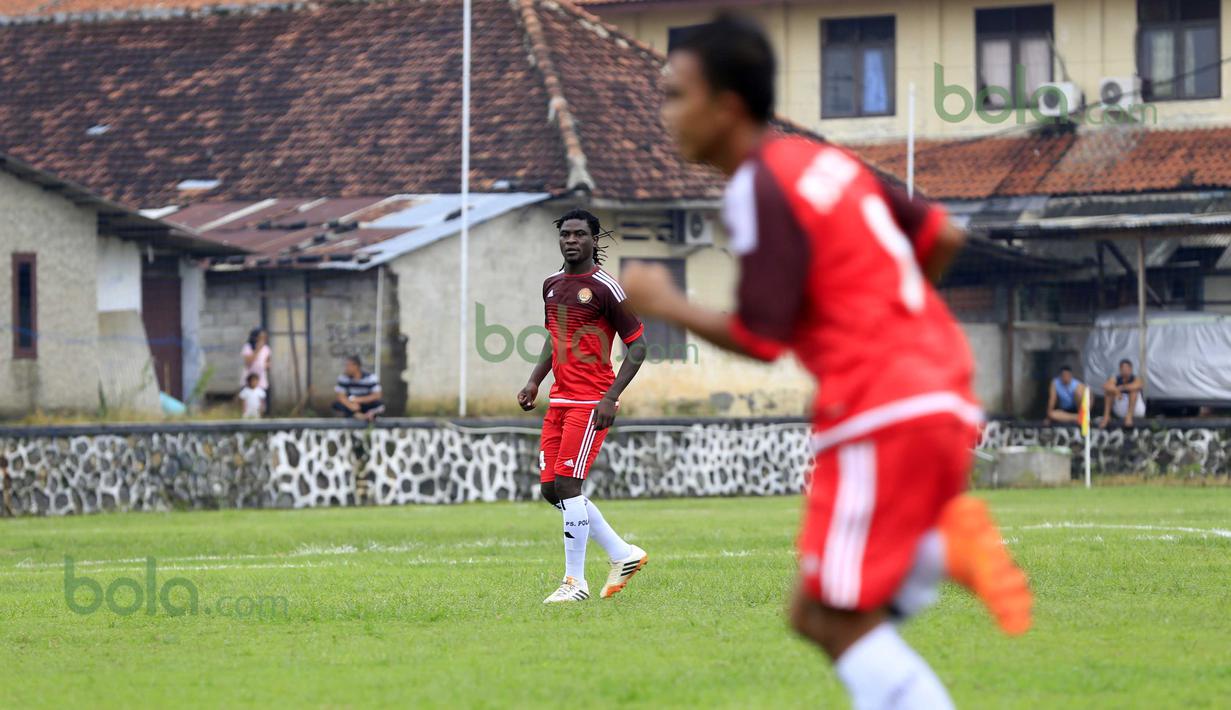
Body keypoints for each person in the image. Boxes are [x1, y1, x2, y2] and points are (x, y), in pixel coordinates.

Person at [620, 16, 1031, 708]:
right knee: (815, 614)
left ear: (725, 106)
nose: (663, 114)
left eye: (673, 95)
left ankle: (938, 545)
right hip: (939, 388)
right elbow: (943, 234)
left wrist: (662, 300)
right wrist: (882, 315)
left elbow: (760, 337)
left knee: (830, 618)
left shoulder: (755, 186)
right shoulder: (822, 162)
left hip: (880, 409)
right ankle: (937, 542)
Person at [517, 208, 650, 604]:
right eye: (566, 234)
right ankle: (623, 554)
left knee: (569, 487)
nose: (571, 240)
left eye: (579, 234)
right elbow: (553, 337)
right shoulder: (552, 285)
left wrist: (611, 397)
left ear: (594, 240)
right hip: (558, 400)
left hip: (591, 402)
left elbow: (638, 347)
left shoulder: (606, 288)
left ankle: (575, 583)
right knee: (549, 490)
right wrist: (534, 379)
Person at [333, 356, 385, 421]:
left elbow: (377, 395)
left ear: (356, 366)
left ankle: (368, 415)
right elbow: (340, 396)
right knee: (337, 405)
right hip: (352, 405)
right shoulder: (343, 378)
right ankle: (359, 415)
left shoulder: (370, 378)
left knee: (379, 405)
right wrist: (351, 405)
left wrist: (357, 399)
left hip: (365, 404)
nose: (346, 368)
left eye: (348, 365)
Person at [1099, 358, 1145, 428]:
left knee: (1133, 391)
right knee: (1109, 392)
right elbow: (1105, 386)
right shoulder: (1116, 379)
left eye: (1127, 368)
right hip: (1121, 408)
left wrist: (1121, 388)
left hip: (1136, 409)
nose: (1125, 370)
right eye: (1123, 368)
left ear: (1131, 369)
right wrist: (1116, 391)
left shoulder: (1136, 379)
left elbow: (1138, 385)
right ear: (1120, 370)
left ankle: (1129, 417)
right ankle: (1106, 416)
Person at [241, 328, 271, 392]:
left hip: (261, 378)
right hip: (249, 377)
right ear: (255, 337)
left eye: (264, 337)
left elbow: (268, 362)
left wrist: (266, 365)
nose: (263, 340)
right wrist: (257, 350)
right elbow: (248, 363)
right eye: (261, 337)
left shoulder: (266, 348)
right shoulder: (248, 347)